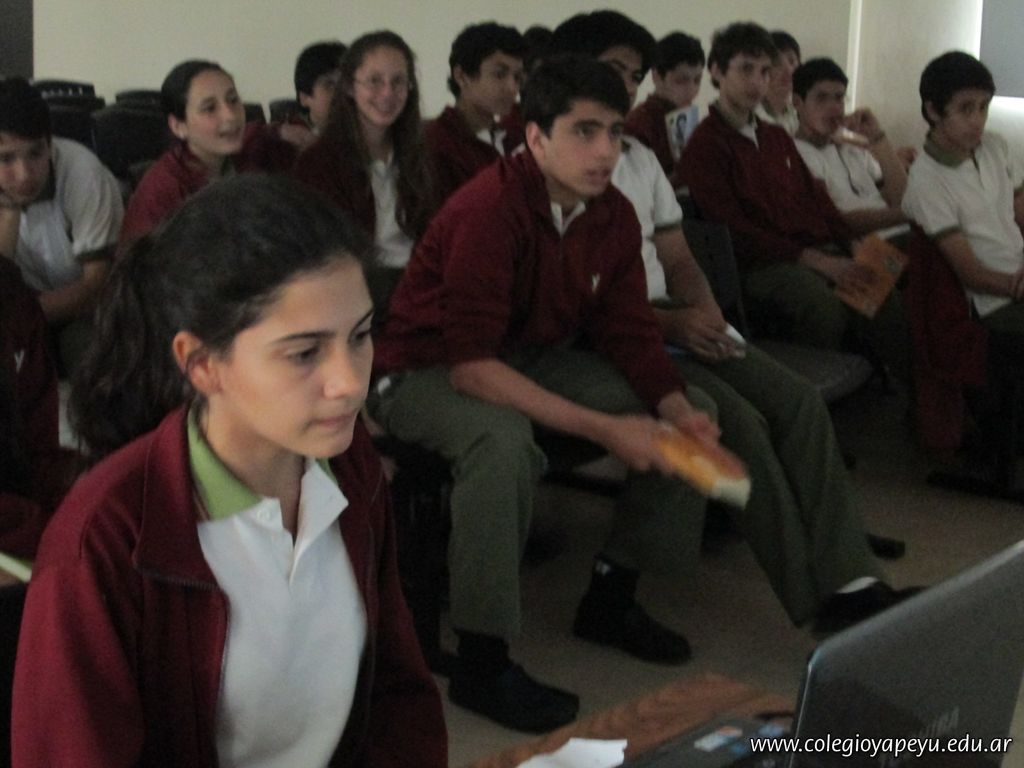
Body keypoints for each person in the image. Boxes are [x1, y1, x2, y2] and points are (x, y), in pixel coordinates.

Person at [12, 175, 447, 767]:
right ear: (201, 365)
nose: (350, 383)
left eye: (360, 335)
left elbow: (397, 696)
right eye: (304, 353)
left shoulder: (347, 467)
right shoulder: (105, 538)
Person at [370, 53, 721, 734]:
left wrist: (675, 408)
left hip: (524, 358)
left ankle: (611, 597)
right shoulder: (489, 209)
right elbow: (471, 369)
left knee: (693, 413)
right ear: (534, 138)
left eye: (615, 132)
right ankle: (481, 659)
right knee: (500, 443)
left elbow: (629, 331)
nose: (605, 151)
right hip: (420, 369)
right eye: (584, 132)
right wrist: (606, 429)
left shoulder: (613, 215)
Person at [555, 7, 909, 640]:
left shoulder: (638, 157)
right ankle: (819, 602)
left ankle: (854, 577)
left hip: (676, 316)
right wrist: (675, 325)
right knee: (740, 424)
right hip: (615, 334)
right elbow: (581, 299)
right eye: (615, 70)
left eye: (633, 75)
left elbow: (678, 253)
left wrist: (706, 309)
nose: (627, 86)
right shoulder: (554, 164)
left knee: (798, 401)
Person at [681, 22, 908, 378]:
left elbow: (818, 202)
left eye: (764, 72)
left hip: (812, 249)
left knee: (882, 283)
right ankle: (819, 390)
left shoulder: (775, 137)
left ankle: (898, 388)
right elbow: (733, 232)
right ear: (717, 71)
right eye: (746, 69)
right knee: (821, 306)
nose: (757, 82)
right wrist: (817, 261)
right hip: (761, 264)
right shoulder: (706, 144)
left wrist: (850, 244)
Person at [294, 30, 434, 305]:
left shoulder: (422, 152)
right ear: (349, 86)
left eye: (398, 81)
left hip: (419, 285)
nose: (387, 93)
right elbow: (322, 255)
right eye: (374, 81)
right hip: (358, 294)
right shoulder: (318, 162)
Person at [0, 77, 123, 374]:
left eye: (35, 153)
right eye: (6, 158)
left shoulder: (85, 175)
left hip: (88, 310)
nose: (24, 174)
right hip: (27, 305)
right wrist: (11, 213)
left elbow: (96, 285)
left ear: (49, 142)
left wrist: (20, 317)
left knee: (84, 347)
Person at [903, 51, 1024, 334]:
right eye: (966, 109)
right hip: (994, 302)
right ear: (933, 111)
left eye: (983, 107)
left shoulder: (995, 147)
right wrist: (1017, 286)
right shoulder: (926, 181)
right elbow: (971, 274)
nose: (978, 120)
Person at [120, 60, 297, 246]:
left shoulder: (245, 155)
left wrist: (279, 130)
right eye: (210, 108)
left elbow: (255, 133)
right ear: (178, 126)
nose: (230, 116)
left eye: (233, 100)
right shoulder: (163, 191)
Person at [793, 57, 909, 237]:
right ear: (797, 103)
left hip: (901, 235)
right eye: (821, 98)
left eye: (839, 98)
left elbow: (901, 197)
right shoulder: (795, 155)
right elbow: (834, 222)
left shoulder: (850, 149)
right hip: (865, 247)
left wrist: (877, 138)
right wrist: (912, 212)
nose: (834, 108)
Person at [425, 22, 526, 204]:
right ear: (462, 76)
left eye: (517, 77)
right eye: (499, 74)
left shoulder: (515, 139)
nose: (512, 88)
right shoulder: (437, 144)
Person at [625, 31, 705, 179]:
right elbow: (636, 185)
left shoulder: (691, 120)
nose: (691, 91)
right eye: (681, 81)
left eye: (697, 80)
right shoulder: (638, 126)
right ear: (656, 76)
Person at [291, 40, 347, 138]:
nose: (341, 91)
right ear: (304, 98)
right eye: (330, 85)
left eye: (346, 82)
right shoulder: (285, 141)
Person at [755, 30, 800, 136]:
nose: (788, 70)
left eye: (792, 61)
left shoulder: (801, 111)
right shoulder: (751, 117)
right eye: (777, 63)